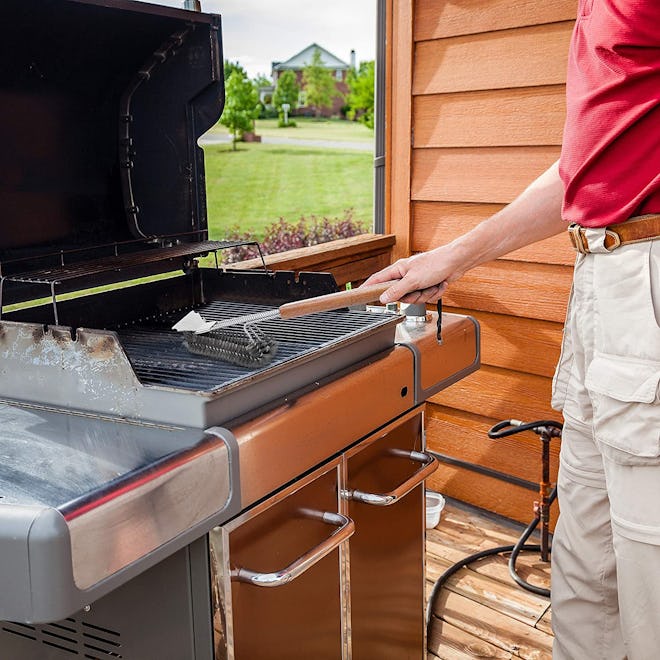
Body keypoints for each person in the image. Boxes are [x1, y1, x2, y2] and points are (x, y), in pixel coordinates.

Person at [363, 1, 660, 658]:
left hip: (647, 283)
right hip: (602, 282)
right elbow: (583, 174)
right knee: (587, 578)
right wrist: (452, 257)